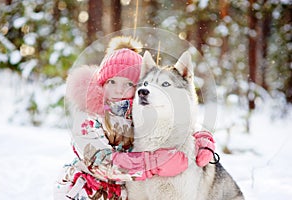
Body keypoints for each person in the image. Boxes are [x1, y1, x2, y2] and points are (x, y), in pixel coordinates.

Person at [54, 36, 215, 200]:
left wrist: (202, 140)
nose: (119, 90)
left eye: (129, 84)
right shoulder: (88, 116)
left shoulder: (137, 111)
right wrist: (154, 164)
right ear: (101, 83)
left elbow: (176, 122)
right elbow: (100, 161)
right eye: (112, 82)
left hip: (121, 191)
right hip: (86, 190)